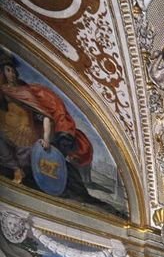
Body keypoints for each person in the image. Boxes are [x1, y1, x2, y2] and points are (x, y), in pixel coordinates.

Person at [0, 51, 98, 201]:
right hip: (10, 131)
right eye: (8, 70)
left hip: (26, 135)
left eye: (13, 70)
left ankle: (20, 170)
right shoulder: (4, 91)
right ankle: (16, 169)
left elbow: (45, 115)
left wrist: (46, 139)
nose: (11, 74)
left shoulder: (24, 92)